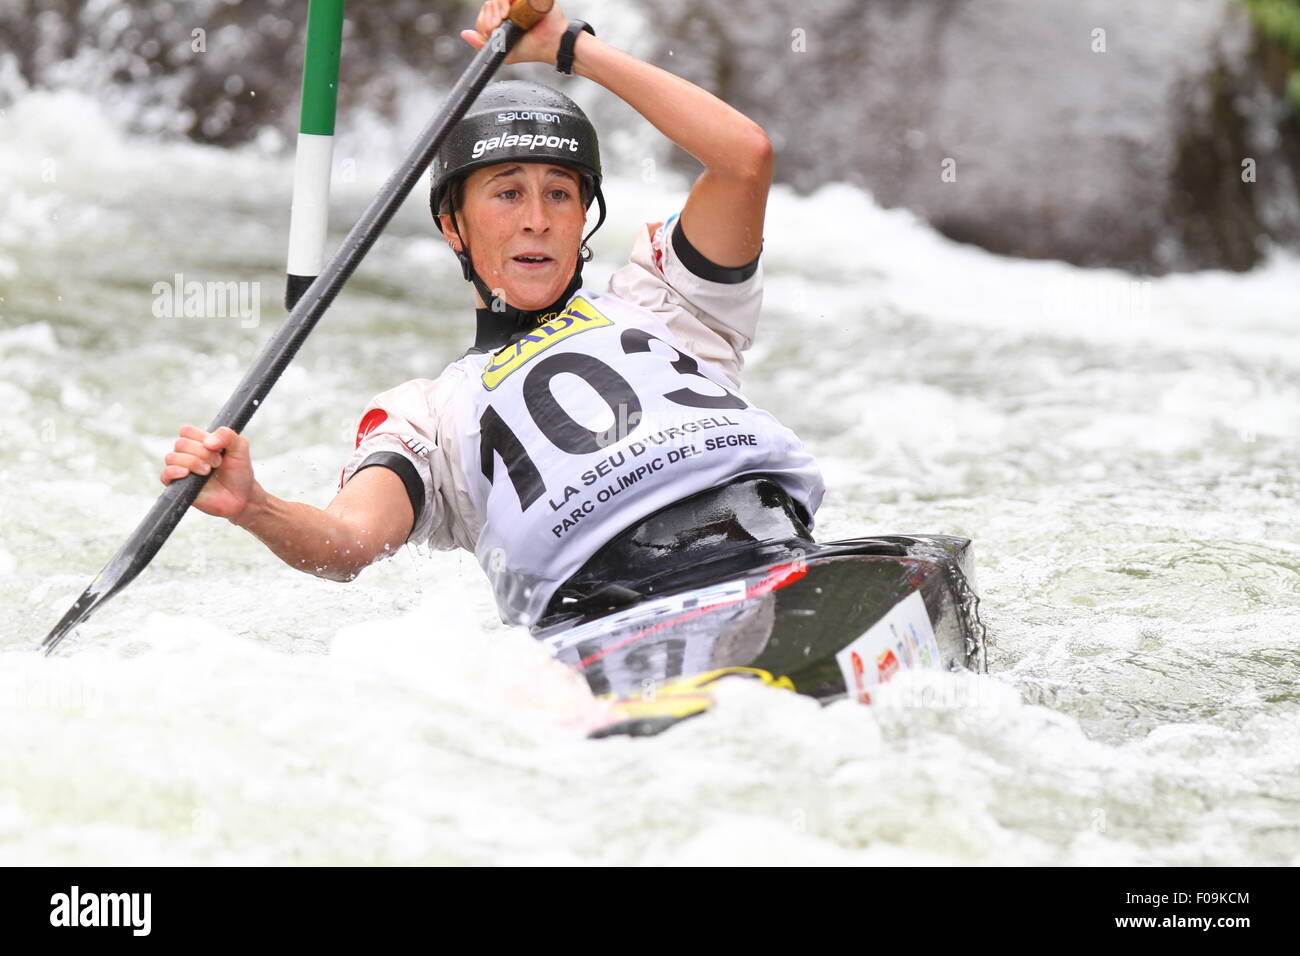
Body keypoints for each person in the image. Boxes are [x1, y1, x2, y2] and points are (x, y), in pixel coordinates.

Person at [161, 1, 825, 627]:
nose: (537, 220)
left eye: (560, 195)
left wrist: (570, 49)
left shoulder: (668, 297)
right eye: (508, 194)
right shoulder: (428, 414)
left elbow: (745, 159)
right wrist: (256, 506)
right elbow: (349, 544)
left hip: (771, 553)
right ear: (454, 226)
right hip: (603, 614)